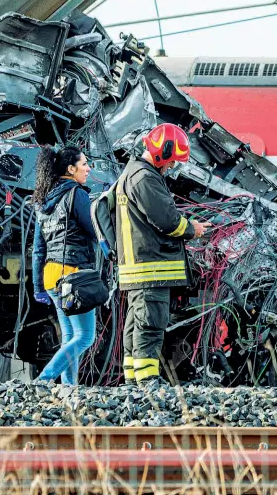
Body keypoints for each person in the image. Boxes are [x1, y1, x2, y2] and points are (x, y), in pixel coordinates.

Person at [115, 123, 210, 387]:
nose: (171, 167)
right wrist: (193, 229)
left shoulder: (133, 173)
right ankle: (147, 382)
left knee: (135, 326)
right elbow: (167, 221)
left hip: (138, 268)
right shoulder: (144, 178)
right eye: (171, 161)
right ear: (162, 154)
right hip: (150, 267)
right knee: (150, 324)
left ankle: (134, 381)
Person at [32, 145, 97, 385]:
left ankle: (70, 388)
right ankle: (44, 379)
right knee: (85, 337)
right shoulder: (76, 194)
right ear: (71, 169)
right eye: (84, 164)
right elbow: (94, 231)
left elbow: (39, 248)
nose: (88, 169)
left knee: (70, 335)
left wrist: (38, 287)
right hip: (73, 275)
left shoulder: (42, 201)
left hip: (51, 276)